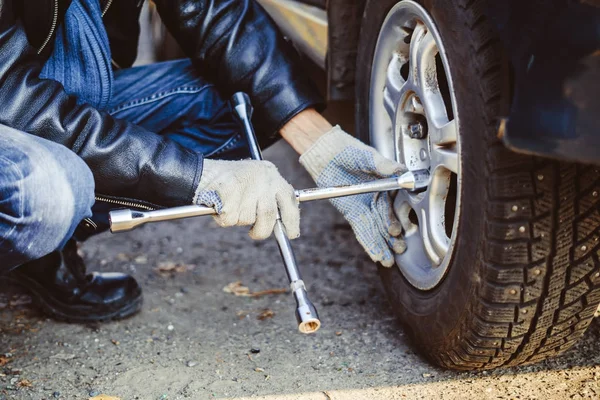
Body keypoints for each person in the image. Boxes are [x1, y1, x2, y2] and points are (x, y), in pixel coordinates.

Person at [0, 0, 407, 322]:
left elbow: (215, 10)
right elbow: (12, 99)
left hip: (69, 99)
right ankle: (42, 228)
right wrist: (198, 176)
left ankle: (50, 242)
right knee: (48, 192)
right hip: (10, 108)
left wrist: (317, 143)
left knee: (253, 99)